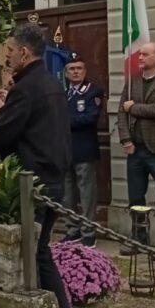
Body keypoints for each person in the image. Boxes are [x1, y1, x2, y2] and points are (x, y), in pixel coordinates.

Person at [0, 24, 76, 308]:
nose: (6, 57)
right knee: (39, 250)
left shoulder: (27, 87)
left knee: (35, 252)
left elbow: (7, 133)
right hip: (54, 175)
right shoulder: (50, 83)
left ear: (23, 52)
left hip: (35, 181)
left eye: (9, 51)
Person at [117, 42, 155, 254]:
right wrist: (126, 139)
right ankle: (139, 238)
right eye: (139, 54)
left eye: (145, 54)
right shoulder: (132, 80)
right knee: (135, 198)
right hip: (135, 150)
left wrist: (132, 107)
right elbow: (121, 113)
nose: (140, 57)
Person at [62, 57, 104, 247]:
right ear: (66, 73)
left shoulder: (93, 92)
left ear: (85, 71)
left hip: (84, 150)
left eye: (79, 68)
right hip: (64, 150)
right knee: (67, 194)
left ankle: (88, 232)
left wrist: (63, 122)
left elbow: (90, 118)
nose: (76, 72)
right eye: (71, 69)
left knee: (87, 193)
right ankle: (72, 230)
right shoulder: (62, 94)